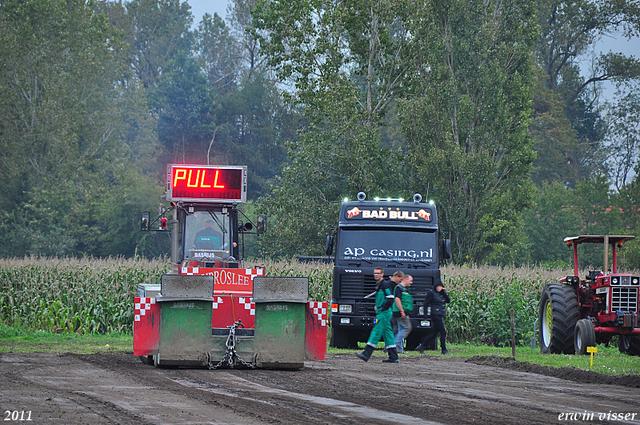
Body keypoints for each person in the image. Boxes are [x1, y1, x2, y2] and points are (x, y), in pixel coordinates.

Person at [356, 267, 399, 363]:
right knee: (388, 335)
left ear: (382, 274)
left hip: (384, 314)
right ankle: (394, 356)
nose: (376, 275)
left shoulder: (385, 284)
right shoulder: (379, 285)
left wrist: (383, 308)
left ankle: (366, 354)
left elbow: (390, 298)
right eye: (375, 273)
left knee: (376, 332)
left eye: (378, 273)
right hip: (382, 313)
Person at [416, 279, 450, 355]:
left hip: (440, 314)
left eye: (440, 286)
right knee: (443, 332)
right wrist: (425, 315)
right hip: (435, 315)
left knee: (434, 333)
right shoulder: (431, 293)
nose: (439, 288)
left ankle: (422, 346)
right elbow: (425, 304)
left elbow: (448, 301)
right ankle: (444, 349)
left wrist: (444, 293)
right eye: (438, 286)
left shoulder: (442, 294)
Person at [392, 274, 413, 353]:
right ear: (406, 279)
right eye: (410, 280)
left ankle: (399, 349)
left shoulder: (404, 289)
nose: (411, 282)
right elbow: (397, 300)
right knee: (407, 328)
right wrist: (402, 311)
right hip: (400, 312)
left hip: (402, 312)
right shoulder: (399, 288)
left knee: (401, 329)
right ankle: (396, 346)